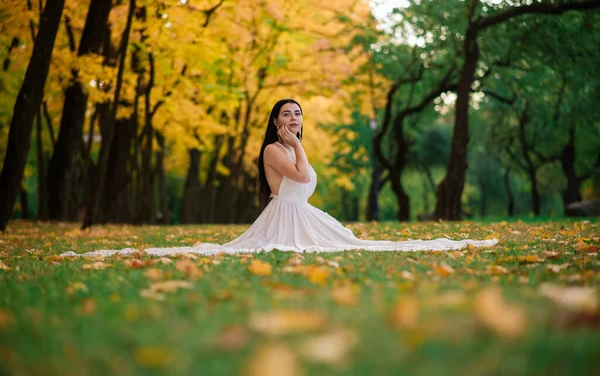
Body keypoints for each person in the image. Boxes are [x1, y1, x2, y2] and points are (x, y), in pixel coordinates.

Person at [60, 99, 497, 258]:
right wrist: (297, 143)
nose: (294, 118)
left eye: (298, 114)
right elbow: (302, 174)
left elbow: (304, 179)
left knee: (353, 244)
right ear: (275, 121)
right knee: (313, 248)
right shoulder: (275, 149)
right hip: (284, 218)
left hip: (303, 213)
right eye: (287, 114)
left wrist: (299, 143)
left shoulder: (289, 146)